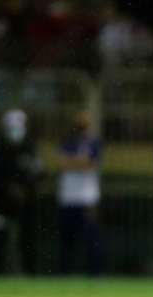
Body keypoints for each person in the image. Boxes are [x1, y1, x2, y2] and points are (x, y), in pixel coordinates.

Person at [0, 109, 42, 274]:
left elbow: (38, 174)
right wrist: (8, 189)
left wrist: (24, 190)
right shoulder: (0, 149)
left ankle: (30, 273)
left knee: (28, 238)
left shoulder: (31, 147)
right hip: (3, 202)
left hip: (27, 202)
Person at [57, 110, 104, 276]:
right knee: (66, 238)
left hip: (87, 197)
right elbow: (63, 164)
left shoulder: (94, 143)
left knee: (91, 238)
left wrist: (74, 163)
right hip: (68, 196)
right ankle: (64, 273)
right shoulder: (67, 142)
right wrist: (82, 163)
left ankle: (95, 274)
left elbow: (93, 164)